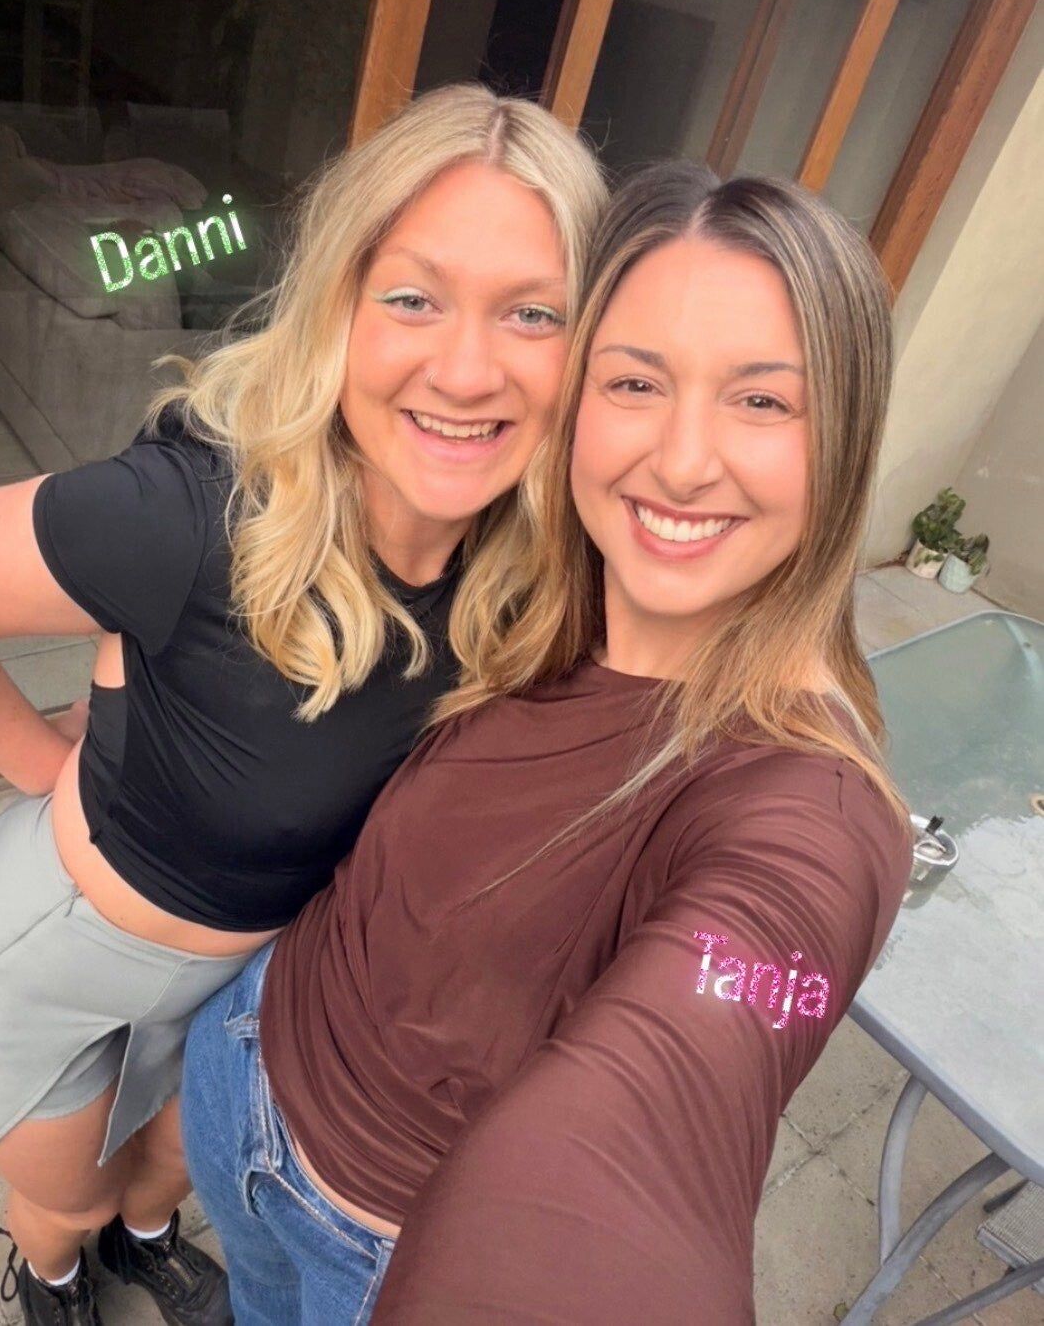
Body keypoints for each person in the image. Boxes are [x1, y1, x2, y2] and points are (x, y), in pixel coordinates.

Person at [0, 82, 607, 1326]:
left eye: (533, 311)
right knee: (69, 1196)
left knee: (176, 1156)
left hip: (247, 974)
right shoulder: (194, 511)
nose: (468, 368)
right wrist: (39, 761)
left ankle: (148, 1241)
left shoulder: (523, 566)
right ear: (337, 302)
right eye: (413, 296)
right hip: (58, 958)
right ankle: (53, 1274)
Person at [180, 161, 917, 1324]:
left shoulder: (810, 814)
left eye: (763, 401)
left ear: (847, 440)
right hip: (243, 1070)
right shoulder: (531, 593)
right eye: (635, 382)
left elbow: (659, 1106)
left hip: (375, 1250)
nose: (682, 459)